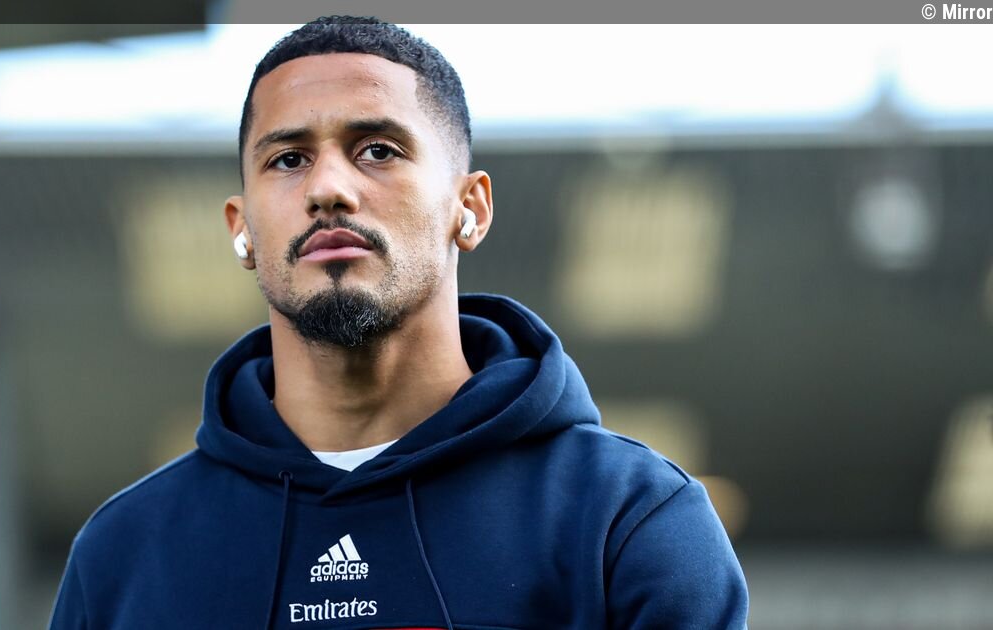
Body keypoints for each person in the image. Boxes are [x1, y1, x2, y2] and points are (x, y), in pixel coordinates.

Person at [49, 17, 748, 630]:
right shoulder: (122, 555)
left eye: (377, 150)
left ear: (470, 207)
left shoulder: (629, 517)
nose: (329, 188)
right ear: (243, 229)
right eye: (288, 159)